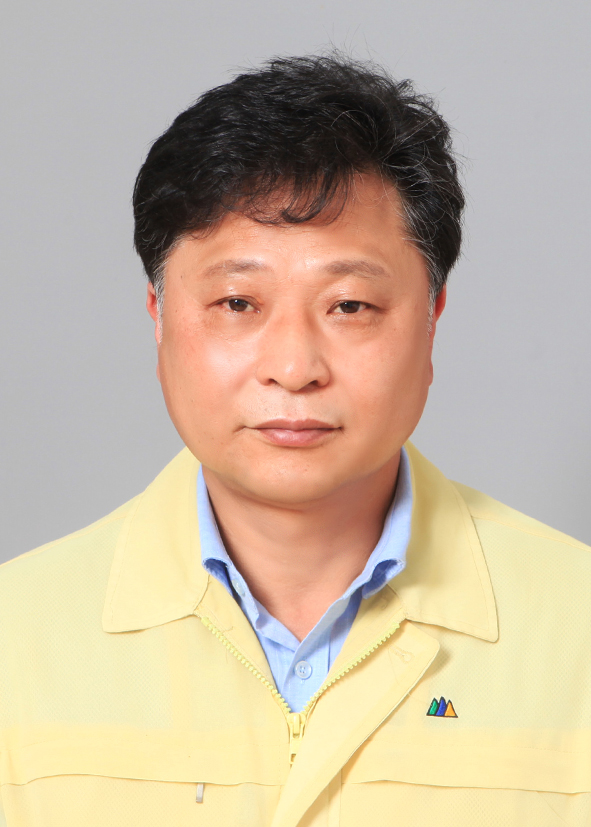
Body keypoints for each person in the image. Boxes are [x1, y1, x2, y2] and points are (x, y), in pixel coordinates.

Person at [0, 53, 590, 827]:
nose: (292, 366)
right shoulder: (16, 637)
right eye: (237, 302)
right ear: (157, 317)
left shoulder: (576, 625)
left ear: (431, 318)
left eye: (348, 305)